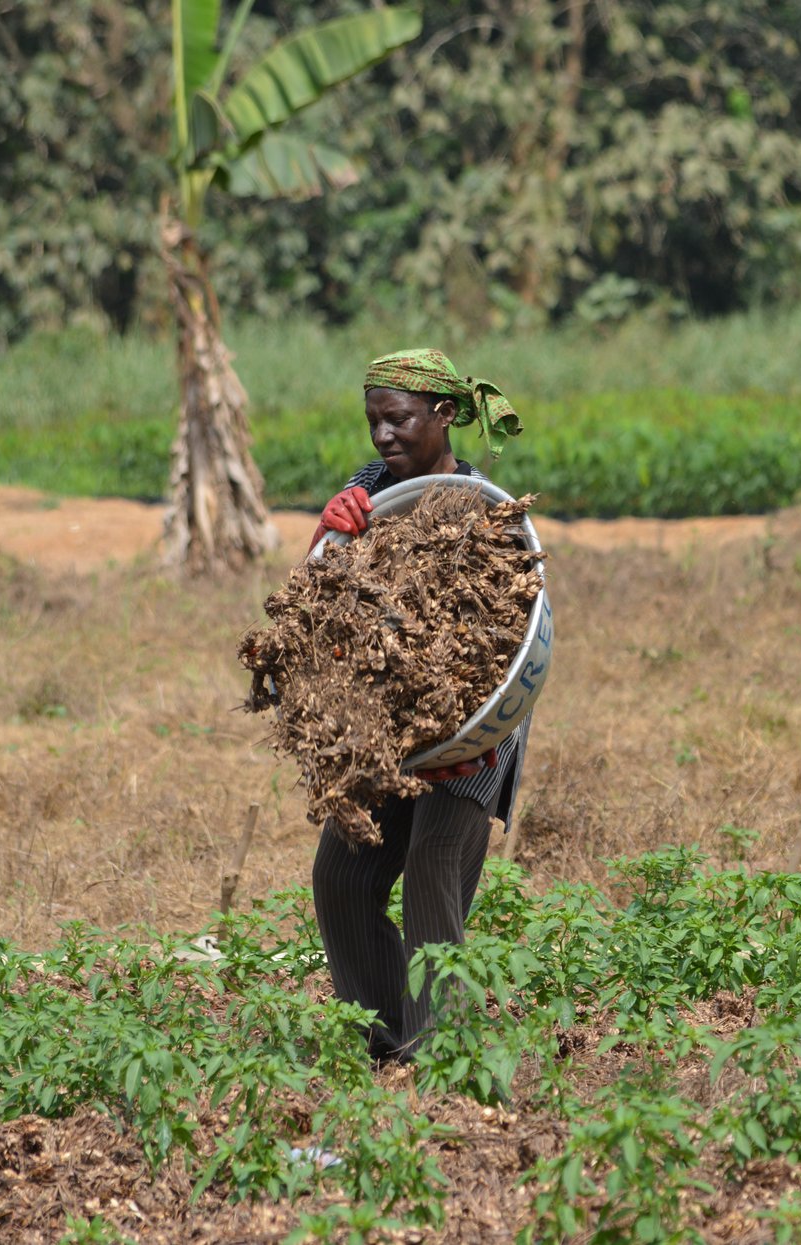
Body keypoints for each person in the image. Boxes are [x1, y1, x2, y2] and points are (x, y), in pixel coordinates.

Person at [308, 347, 530, 1063]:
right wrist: (329, 533)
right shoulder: (370, 490)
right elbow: (317, 597)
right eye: (373, 422)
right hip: (389, 722)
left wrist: (477, 725)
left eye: (398, 420)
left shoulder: (479, 507)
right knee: (342, 875)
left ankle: (443, 1055)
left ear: (443, 414)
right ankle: (382, 1040)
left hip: (473, 724)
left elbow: (510, 632)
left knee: (435, 868)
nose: (383, 437)